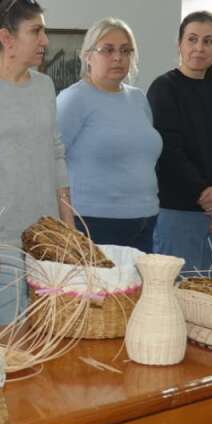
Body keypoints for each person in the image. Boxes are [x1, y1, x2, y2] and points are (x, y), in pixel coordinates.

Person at [0, 0, 71, 329]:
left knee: (48, 339)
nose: (44, 39)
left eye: (44, 30)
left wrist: (69, 232)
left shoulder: (43, 86)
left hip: (47, 240)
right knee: (5, 346)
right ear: (6, 38)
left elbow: (56, 156)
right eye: (35, 31)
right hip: (1, 243)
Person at [148, 11, 212, 277]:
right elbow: (170, 152)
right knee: (179, 295)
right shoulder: (164, 88)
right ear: (179, 43)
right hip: (179, 209)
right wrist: (210, 200)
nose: (199, 48)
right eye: (192, 39)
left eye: (208, 41)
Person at [56, 18, 161, 253]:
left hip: (146, 221)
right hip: (93, 222)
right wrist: (66, 221)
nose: (117, 57)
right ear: (88, 55)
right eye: (108, 50)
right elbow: (51, 160)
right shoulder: (73, 99)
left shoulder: (138, 99)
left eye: (125, 50)